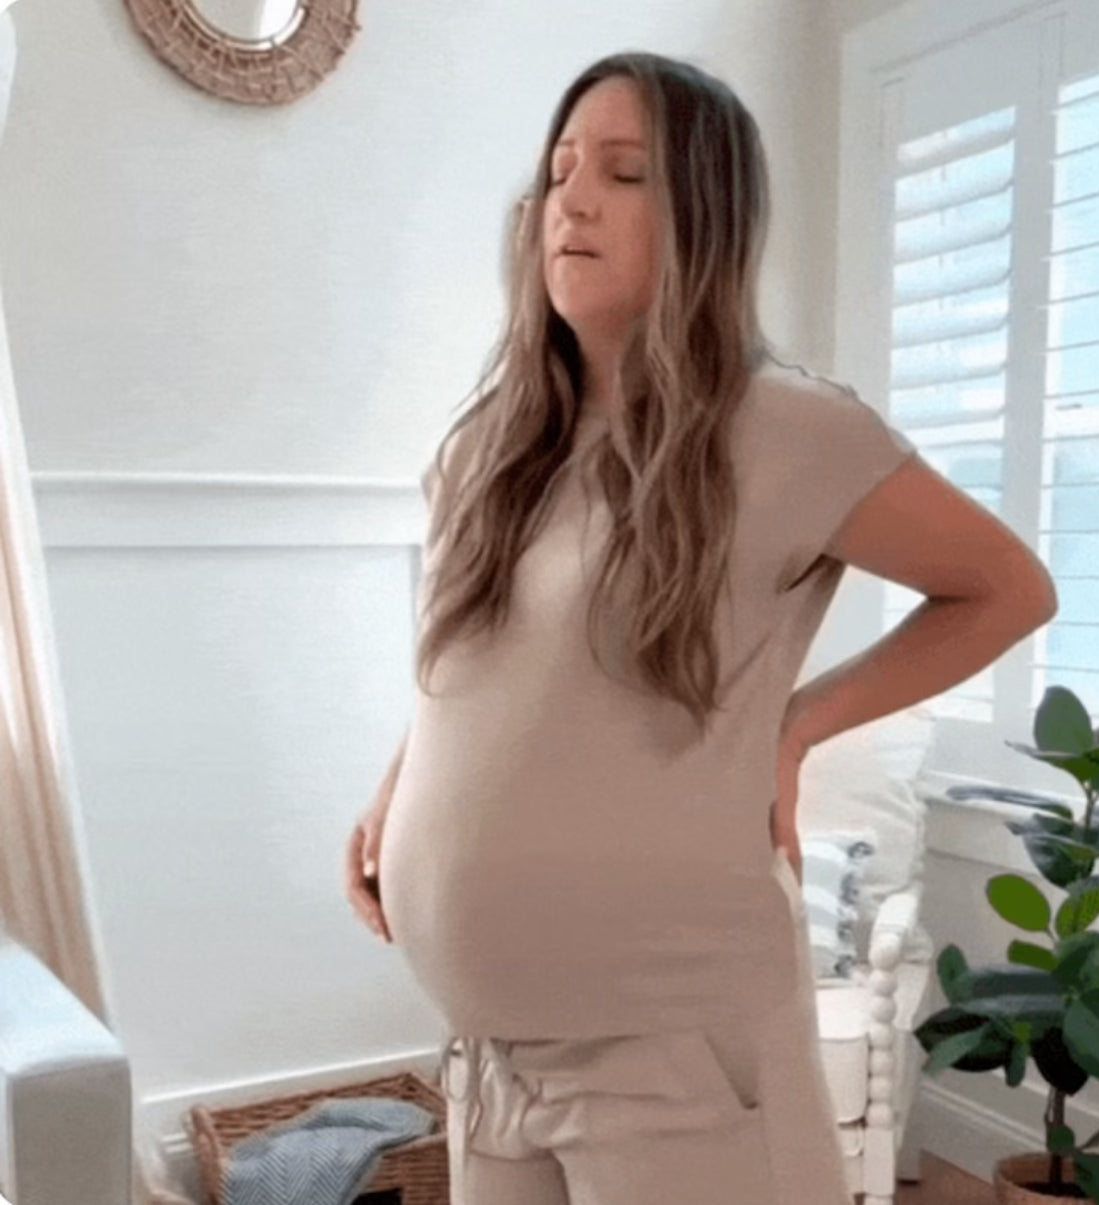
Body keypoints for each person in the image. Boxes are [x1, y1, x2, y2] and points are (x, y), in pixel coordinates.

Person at [343, 50, 1057, 1205]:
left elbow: (1006, 585)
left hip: (674, 1049)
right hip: (494, 1058)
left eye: (624, 174)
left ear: (705, 216)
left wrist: (797, 726)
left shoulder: (788, 429)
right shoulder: (490, 446)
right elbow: (478, 670)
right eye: (560, 172)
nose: (573, 201)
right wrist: (400, 787)